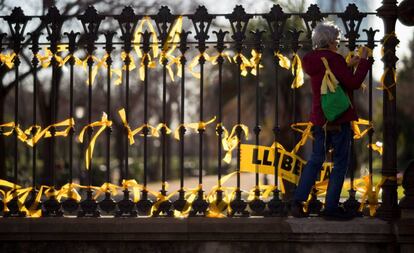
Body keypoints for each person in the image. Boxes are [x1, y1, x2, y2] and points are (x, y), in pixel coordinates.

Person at [291, 22, 371, 219]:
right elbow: (352, 83)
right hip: (339, 117)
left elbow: (330, 74)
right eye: (337, 41)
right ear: (330, 41)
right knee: (340, 163)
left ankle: (298, 201)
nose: (339, 44)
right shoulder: (334, 59)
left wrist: (347, 65)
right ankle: (331, 207)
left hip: (320, 119)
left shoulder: (310, 60)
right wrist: (363, 62)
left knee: (316, 160)